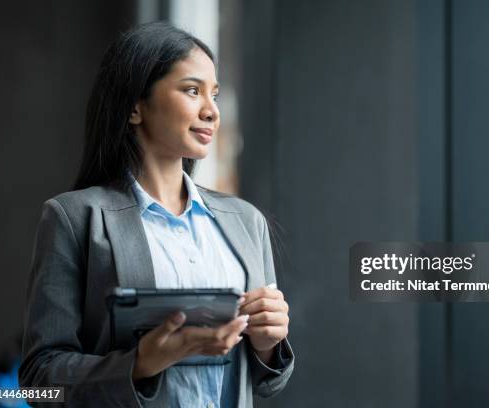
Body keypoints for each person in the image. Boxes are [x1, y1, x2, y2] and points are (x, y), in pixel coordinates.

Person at [19, 22, 294, 407]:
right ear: (135, 107)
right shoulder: (74, 218)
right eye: (192, 90)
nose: (212, 111)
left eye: (213, 94)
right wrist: (140, 364)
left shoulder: (246, 222)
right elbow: (37, 383)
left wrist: (269, 346)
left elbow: (267, 383)